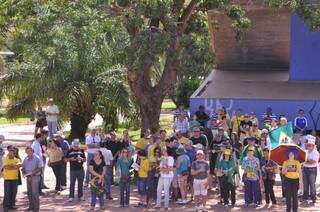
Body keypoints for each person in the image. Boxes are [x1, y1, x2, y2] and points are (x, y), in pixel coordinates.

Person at [21, 147, 43, 211]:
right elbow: (23, 167)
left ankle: (36, 208)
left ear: (32, 151)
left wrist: (34, 172)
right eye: (27, 152)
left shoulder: (37, 158)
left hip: (35, 177)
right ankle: (31, 206)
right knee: (29, 192)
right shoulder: (26, 158)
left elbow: (40, 167)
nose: (28, 153)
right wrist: (23, 171)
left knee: (35, 193)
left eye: (29, 151)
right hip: (28, 177)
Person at [2, 147, 21, 211]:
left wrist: (11, 166)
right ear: (8, 153)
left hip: (15, 179)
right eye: (10, 152)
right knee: (7, 194)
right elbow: (5, 167)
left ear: (14, 153)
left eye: (13, 153)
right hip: (7, 179)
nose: (11, 154)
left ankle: (12, 206)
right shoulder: (5, 159)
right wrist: (14, 166)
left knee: (13, 193)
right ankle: (6, 207)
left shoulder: (17, 159)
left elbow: (19, 165)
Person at [302, 135, 319, 203]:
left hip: (312, 170)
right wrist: (307, 161)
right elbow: (303, 160)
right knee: (305, 184)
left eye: (309, 145)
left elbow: (313, 162)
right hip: (305, 169)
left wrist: (306, 160)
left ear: (313, 145)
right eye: (307, 145)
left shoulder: (316, 153)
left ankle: (313, 198)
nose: (308, 146)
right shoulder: (305, 152)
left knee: (312, 184)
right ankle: (305, 198)